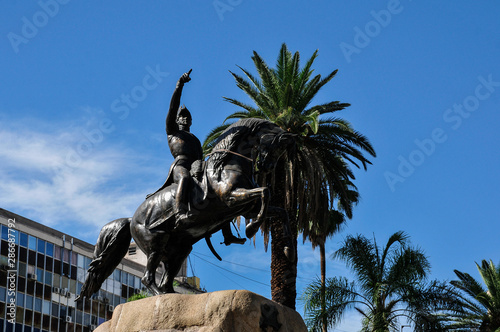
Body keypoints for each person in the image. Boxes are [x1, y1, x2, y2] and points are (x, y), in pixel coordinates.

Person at [149, 70, 245, 245]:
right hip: (181, 166)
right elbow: (172, 106)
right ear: (176, 120)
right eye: (182, 117)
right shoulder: (172, 131)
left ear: (191, 121)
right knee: (184, 178)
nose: (184, 119)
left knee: (219, 190)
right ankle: (180, 213)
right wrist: (179, 86)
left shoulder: (195, 139)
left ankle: (227, 234)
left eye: (187, 117)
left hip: (197, 167)